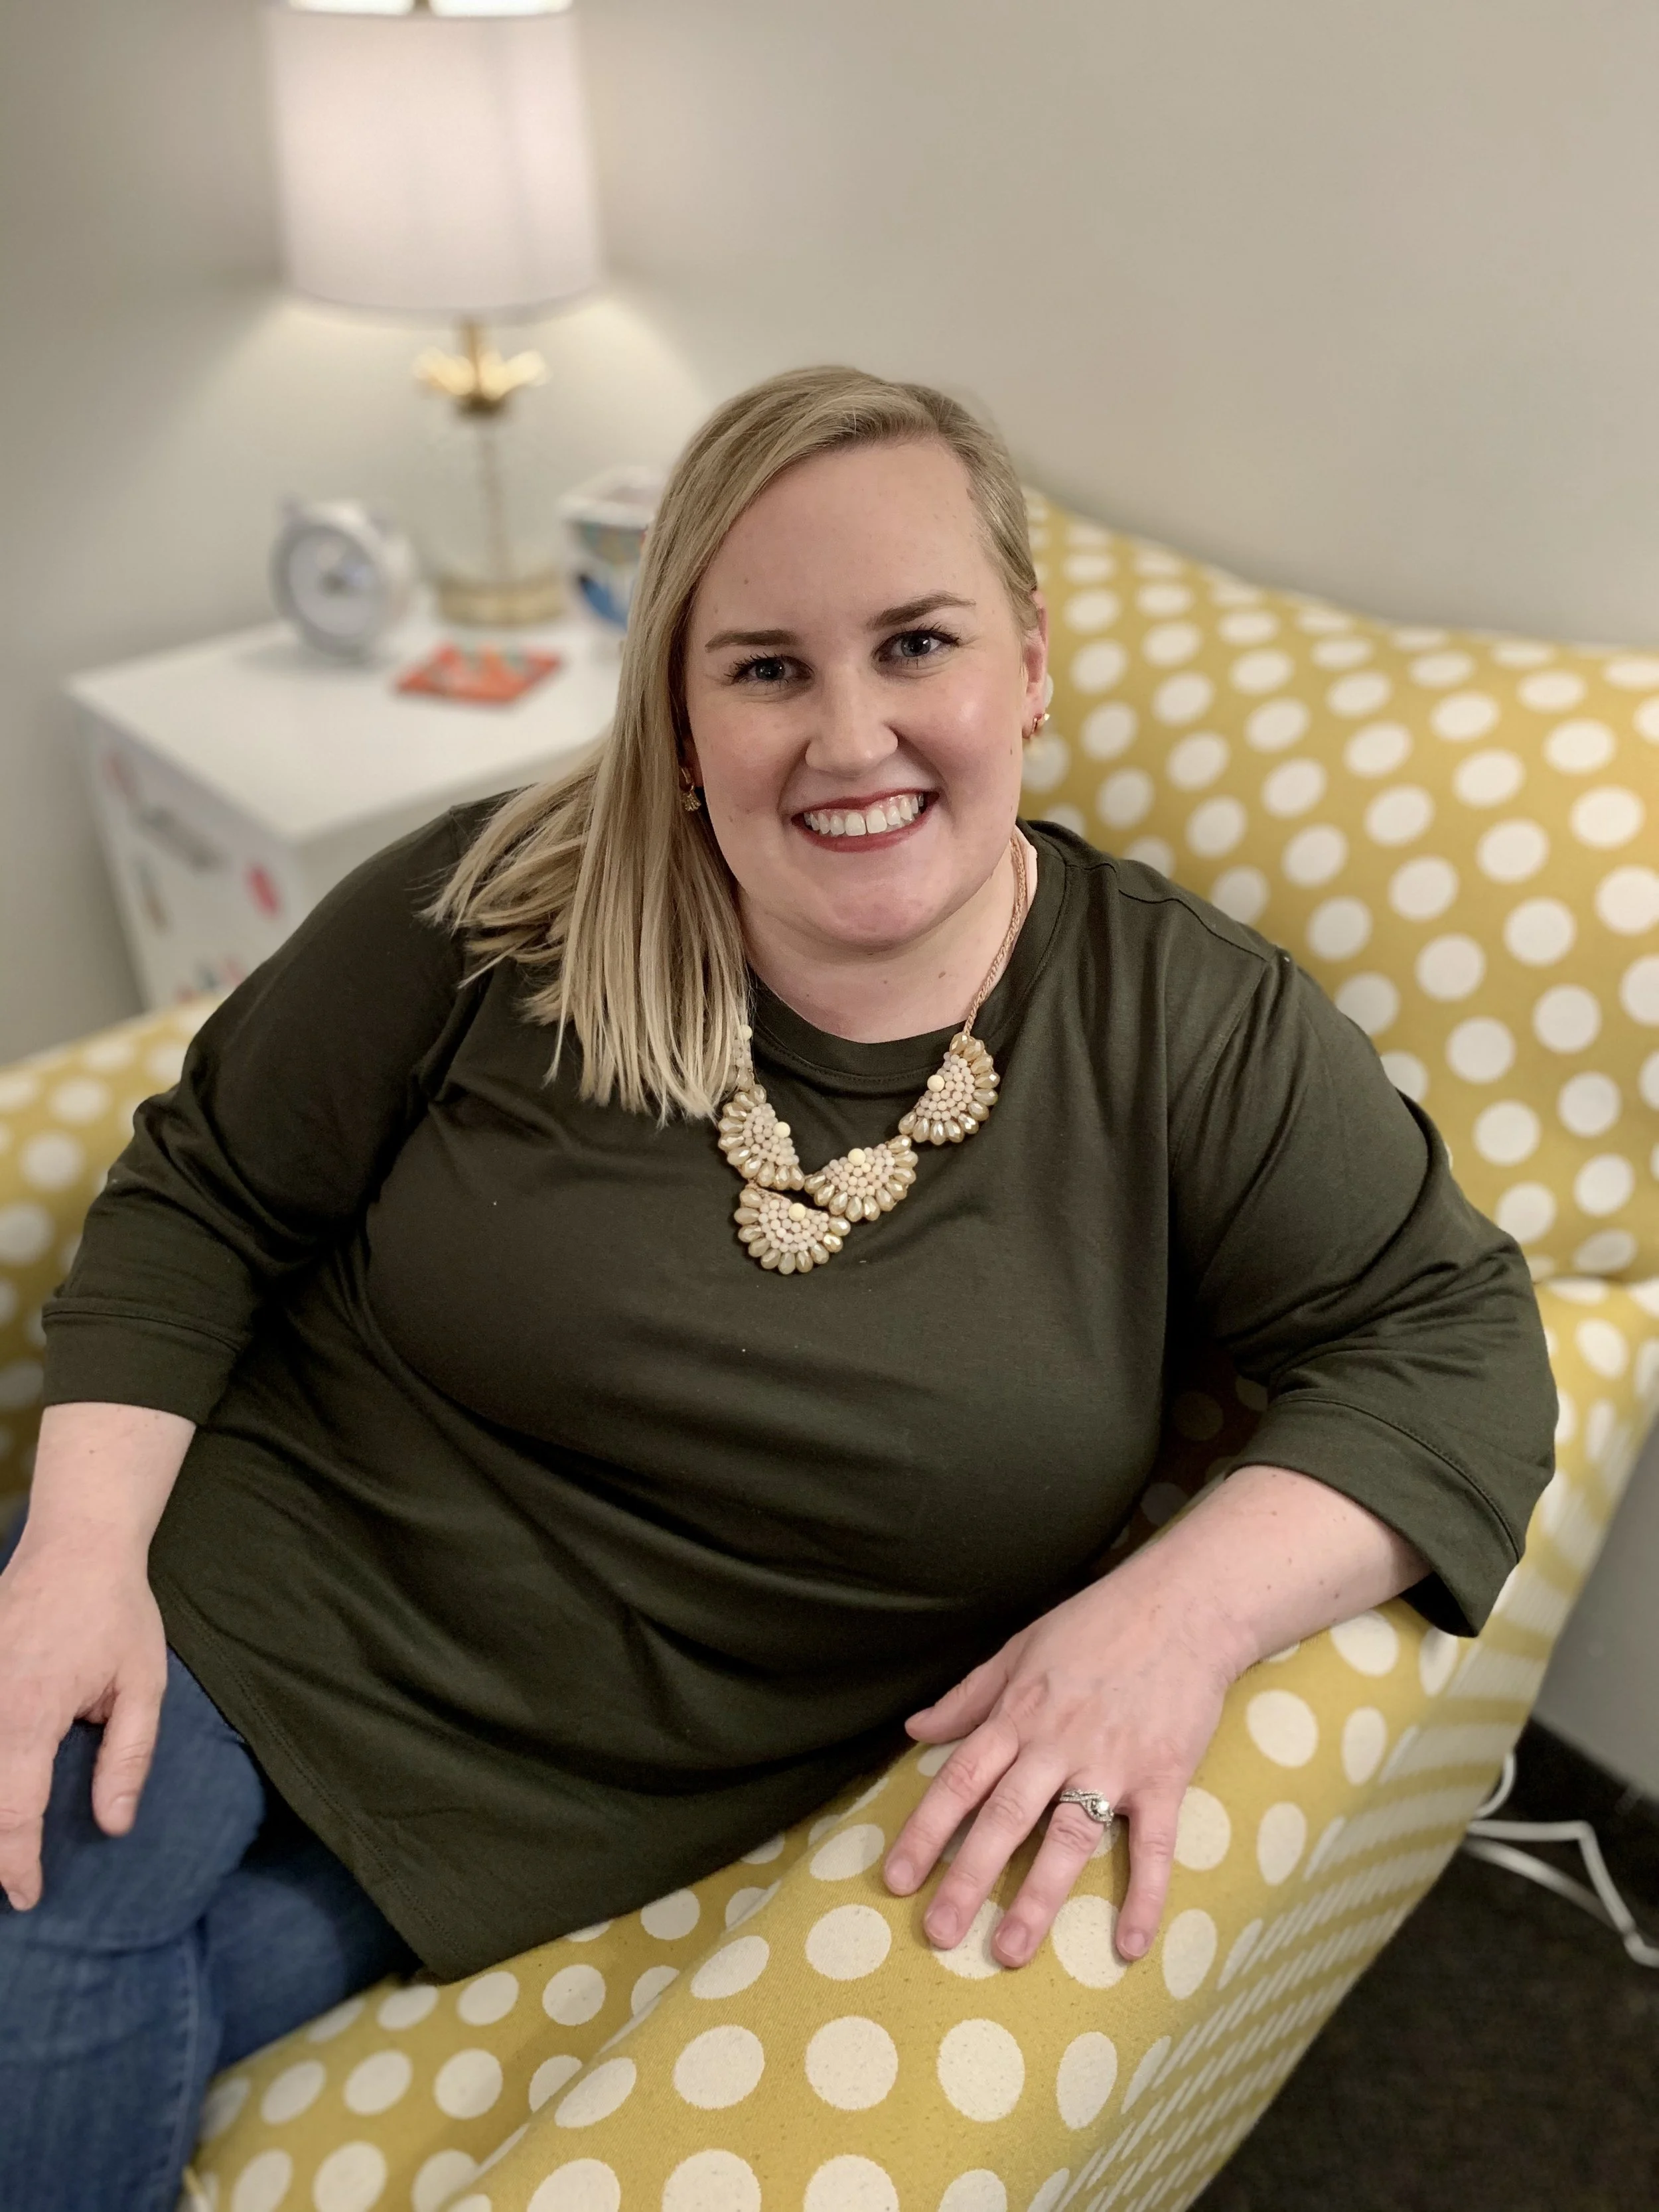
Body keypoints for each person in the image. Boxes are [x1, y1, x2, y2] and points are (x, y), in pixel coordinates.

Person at [0, 366, 1555, 2208]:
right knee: (43, 1889)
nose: (849, 735)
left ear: (1030, 666)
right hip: (257, 1580)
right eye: (765, 669)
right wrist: (77, 1554)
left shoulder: (1187, 1029)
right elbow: (209, 1183)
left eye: (916, 644)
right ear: (679, 716)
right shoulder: (508, 898)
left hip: (600, 1792)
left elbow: (1455, 1345)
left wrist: (1171, 1620)